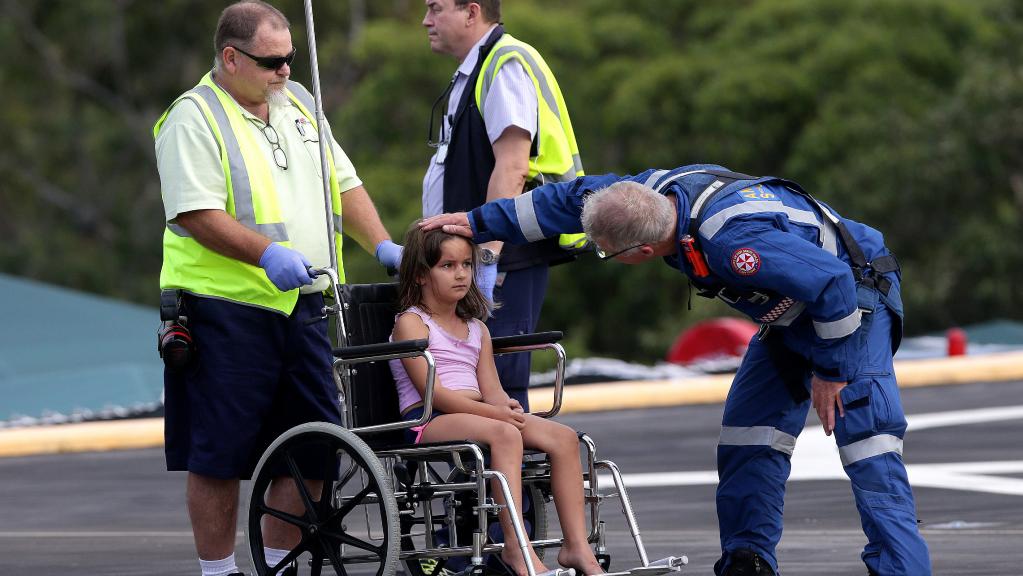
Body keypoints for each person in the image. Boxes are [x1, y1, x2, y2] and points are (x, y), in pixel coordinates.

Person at [421, 164, 933, 576]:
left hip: (853, 310)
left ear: (643, 252)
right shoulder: (641, 194)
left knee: (868, 445)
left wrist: (832, 372)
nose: (604, 254)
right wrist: (479, 222)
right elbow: (566, 198)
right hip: (789, 315)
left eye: (606, 252)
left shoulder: (735, 244)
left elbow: (833, 283)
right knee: (748, 438)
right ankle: (747, 561)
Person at [153, 2, 401, 575]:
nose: (285, 71)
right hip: (222, 309)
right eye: (271, 62)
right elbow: (195, 214)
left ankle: (281, 567)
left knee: (313, 445)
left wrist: (383, 245)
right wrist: (266, 254)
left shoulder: (300, 102)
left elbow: (342, 182)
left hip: (304, 303)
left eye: (290, 58)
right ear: (231, 58)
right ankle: (219, 572)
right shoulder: (194, 117)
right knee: (219, 453)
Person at [389, 224, 606, 576]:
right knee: (504, 433)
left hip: (477, 413)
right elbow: (435, 393)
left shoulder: (477, 328)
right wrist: (495, 415)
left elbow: (492, 390)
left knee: (564, 438)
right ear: (419, 275)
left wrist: (505, 406)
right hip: (427, 417)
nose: (461, 274)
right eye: (447, 266)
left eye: (466, 264)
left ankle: (577, 548)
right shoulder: (412, 324)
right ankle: (516, 547)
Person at [420, 0, 587, 412]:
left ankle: (511, 458)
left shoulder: (505, 63)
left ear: (471, 12)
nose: (426, 21)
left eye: (435, 8)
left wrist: (487, 256)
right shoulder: (478, 69)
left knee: (501, 381)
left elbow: (513, 166)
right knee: (482, 380)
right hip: (483, 254)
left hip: (502, 255)